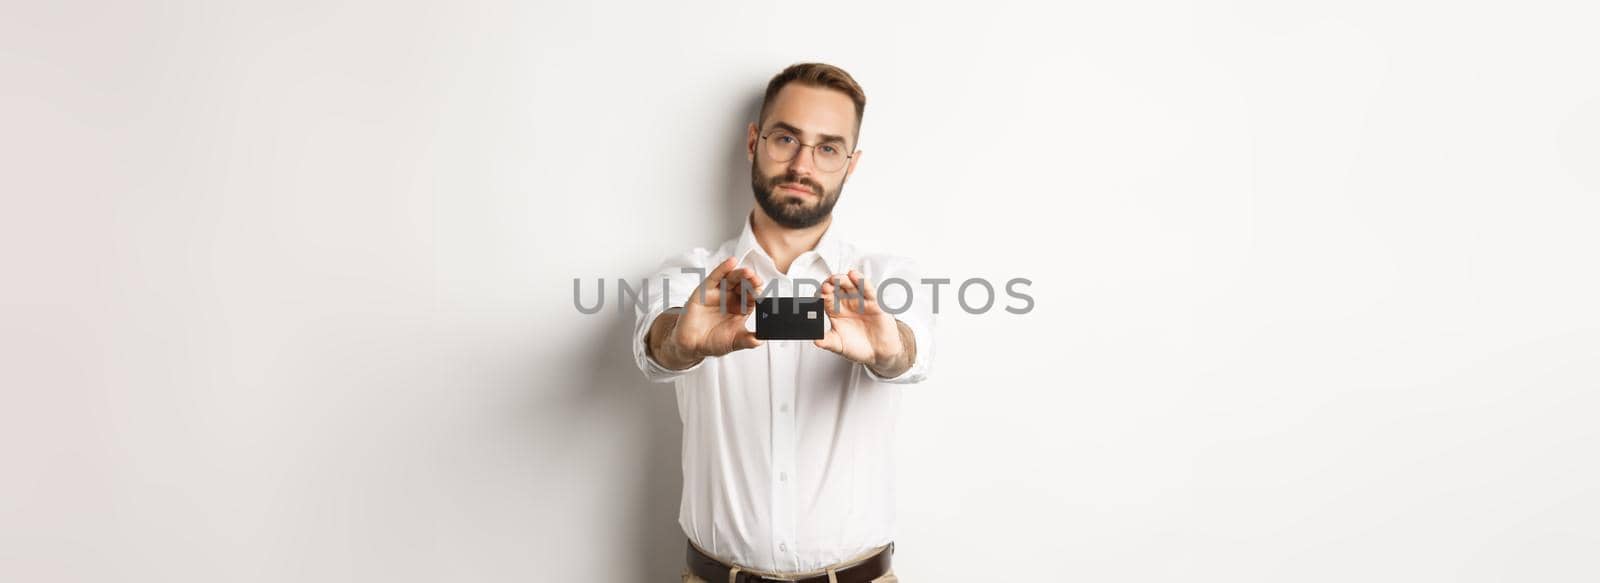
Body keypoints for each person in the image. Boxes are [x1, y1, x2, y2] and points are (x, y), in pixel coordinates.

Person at [633, 63, 934, 582]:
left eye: (827, 147)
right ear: (754, 140)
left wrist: (889, 351)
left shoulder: (887, 278)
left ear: (850, 163)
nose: (802, 164)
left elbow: (912, 352)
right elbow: (656, 347)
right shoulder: (690, 275)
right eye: (786, 138)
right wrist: (683, 341)